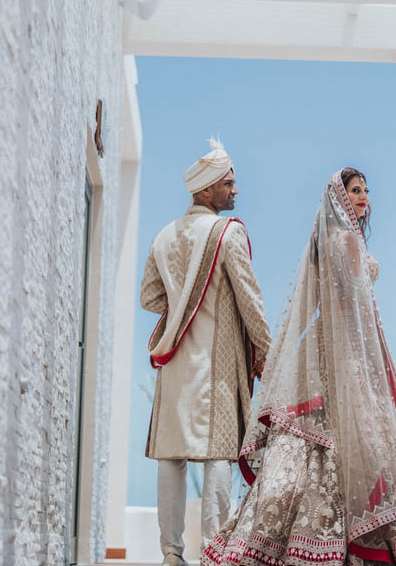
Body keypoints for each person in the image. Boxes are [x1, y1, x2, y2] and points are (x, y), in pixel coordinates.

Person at [202, 168, 396, 566]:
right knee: (355, 436)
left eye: (366, 191)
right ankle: (351, 542)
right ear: (339, 198)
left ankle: (290, 541)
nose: (363, 197)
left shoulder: (323, 241)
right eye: (355, 191)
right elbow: (356, 300)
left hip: (326, 339)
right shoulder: (345, 240)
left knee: (322, 441)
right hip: (347, 346)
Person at [140, 138, 273, 566]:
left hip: (174, 361)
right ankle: (214, 551)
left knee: (171, 456)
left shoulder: (162, 237)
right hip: (215, 365)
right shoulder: (226, 233)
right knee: (217, 454)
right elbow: (250, 299)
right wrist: (268, 351)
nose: (235, 191)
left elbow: (149, 297)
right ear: (206, 190)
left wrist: (182, 310)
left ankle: (171, 555)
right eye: (229, 184)